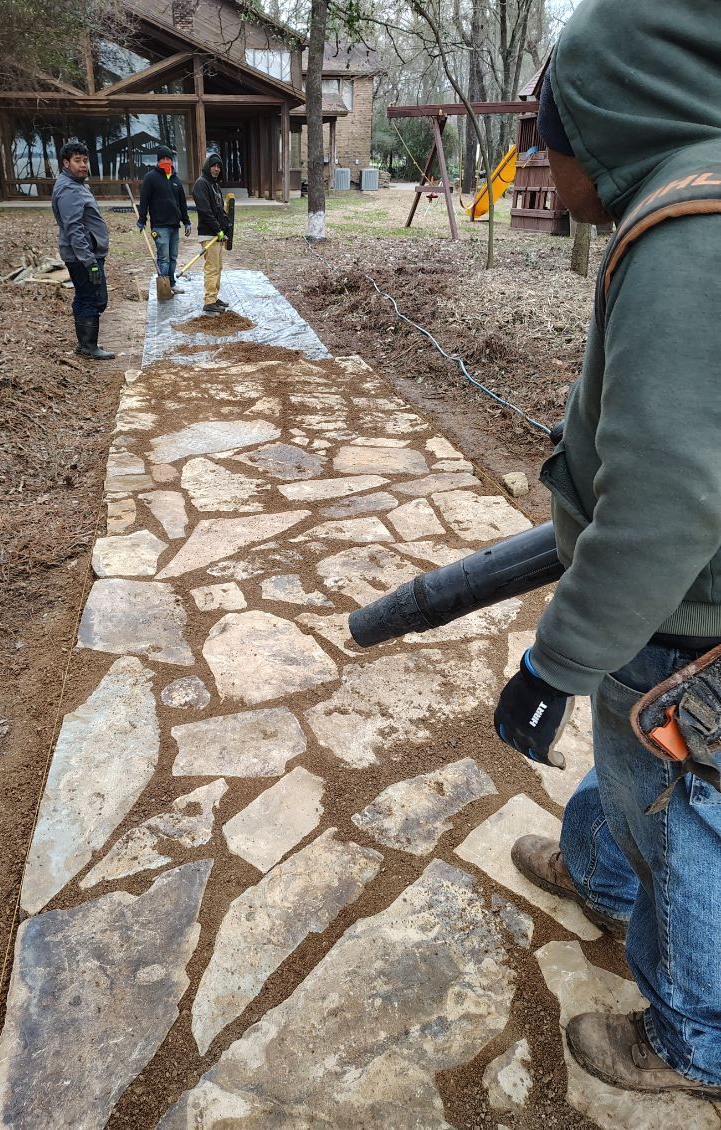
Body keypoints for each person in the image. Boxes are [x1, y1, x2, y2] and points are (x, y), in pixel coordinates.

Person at [493, 0, 721, 1099]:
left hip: (682, 624)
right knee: (634, 774)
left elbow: (668, 500)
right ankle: (596, 874)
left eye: (547, 135)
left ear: (604, 123)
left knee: (678, 818)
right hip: (673, 616)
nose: (541, 160)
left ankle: (694, 1037)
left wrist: (554, 658)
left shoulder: (690, 231)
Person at [51, 140, 115, 360]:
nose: (82, 165)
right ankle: (89, 346)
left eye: (85, 160)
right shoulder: (69, 189)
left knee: (84, 296)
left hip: (84, 254)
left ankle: (85, 344)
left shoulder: (76, 185)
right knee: (94, 299)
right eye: (77, 161)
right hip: (83, 257)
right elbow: (74, 228)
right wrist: (89, 262)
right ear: (66, 162)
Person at [137, 145, 191, 296]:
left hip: (174, 225)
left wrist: (186, 221)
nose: (166, 161)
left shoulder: (175, 180)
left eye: (168, 159)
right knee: (164, 258)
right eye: (163, 159)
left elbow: (182, 203)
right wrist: (142, 219)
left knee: (173, 257)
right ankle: (164, 288)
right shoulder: (151, 178)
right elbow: (144, 200)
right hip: (160, 227)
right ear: (158, 161)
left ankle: (171, 284)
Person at [192, 154, 231, 315]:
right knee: (212, 268)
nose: (216, 169)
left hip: (217, 234)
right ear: (208, 166)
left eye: (219, 166)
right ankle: (209, 301)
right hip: (209, 234)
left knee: (218, 267)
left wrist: (225, 224)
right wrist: (217, 229)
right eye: (214, 165)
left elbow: (219, 210)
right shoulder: (201, 184)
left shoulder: (215, 186)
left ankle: (214, 298)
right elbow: (205, 211)